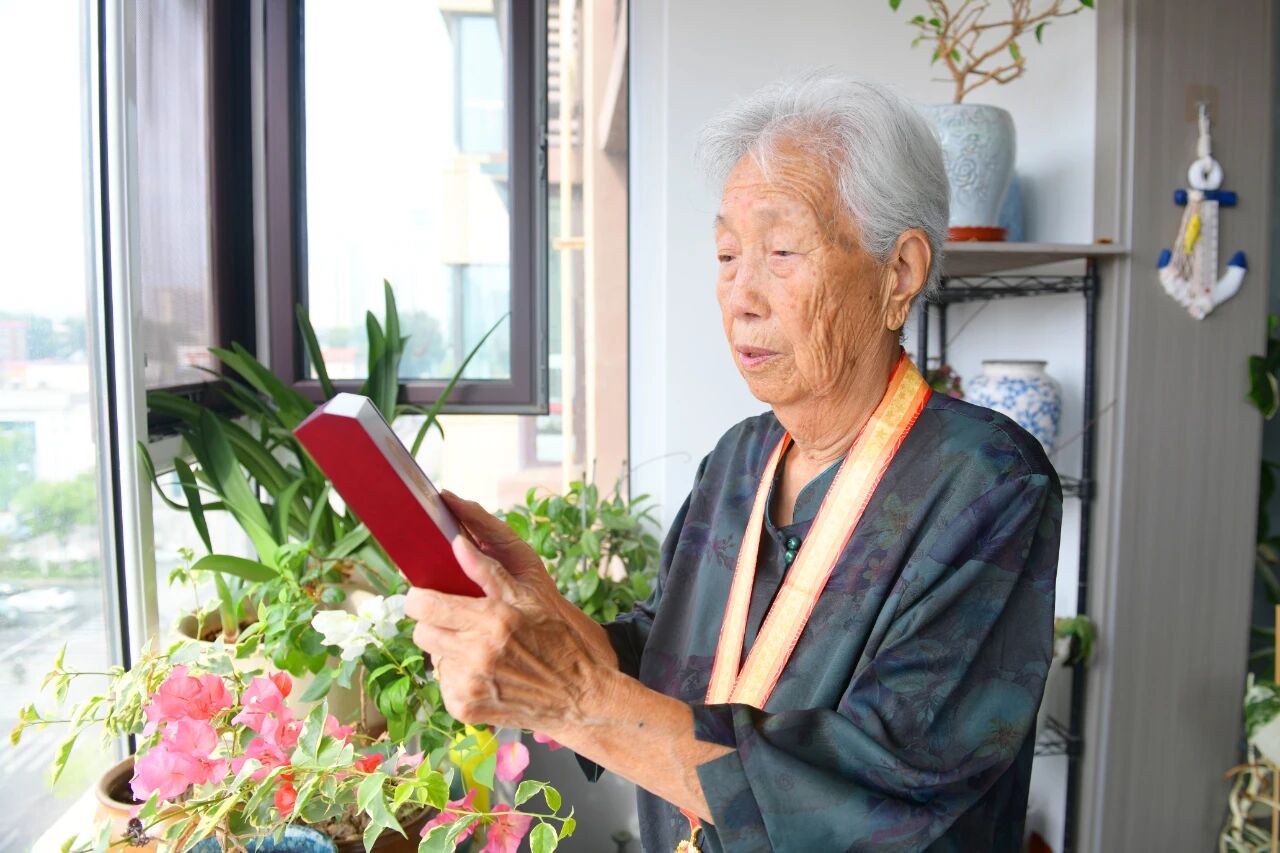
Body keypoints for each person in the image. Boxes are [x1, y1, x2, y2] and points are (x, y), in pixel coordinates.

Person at [407, 71, 1061, 852]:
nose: (740, 295)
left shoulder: (986, 482)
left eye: (781, 251)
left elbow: (883, 794)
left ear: (899, 272)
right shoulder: (739, 460)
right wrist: (550, 618)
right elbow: (668, 665)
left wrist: (573, 699)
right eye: (725, 254)